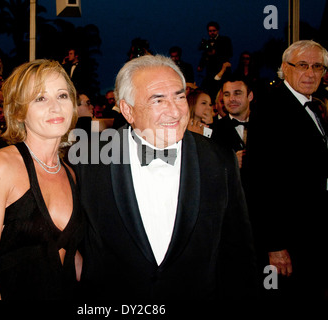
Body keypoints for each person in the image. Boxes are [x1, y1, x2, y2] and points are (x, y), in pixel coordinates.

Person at [73, 54, 257, 300]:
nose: (175, 111)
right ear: (127, 110)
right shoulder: (89, 158)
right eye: (158, 100)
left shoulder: (218, 157)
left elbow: (237, 249)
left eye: (179, 96)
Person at [0, 59, 83, 300]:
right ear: (19, 111)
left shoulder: (70, 173)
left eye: (62, 95)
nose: (55, 107)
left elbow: (70, 256)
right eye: (40, 98)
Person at [247, 40, 328, 300]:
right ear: (284, 68)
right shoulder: (271, 108)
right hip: (288, 242)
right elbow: (259, 181)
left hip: (314, 237)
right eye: (302, 65)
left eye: (317, 67)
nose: (310, 73)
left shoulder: (312, 106)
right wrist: (275, 245)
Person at [211, 77, 253, 170]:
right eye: (226, 94)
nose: (231, 99)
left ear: (250, 96)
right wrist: (231, 162)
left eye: (237, 93)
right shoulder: (214, 130)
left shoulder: (268, 123)